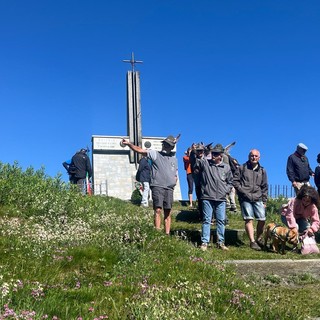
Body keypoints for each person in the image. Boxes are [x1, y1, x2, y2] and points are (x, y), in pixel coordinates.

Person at [122, 135, 178, 235]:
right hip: (157, 186)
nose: (165, 146)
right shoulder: (154, 154)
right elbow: (140, 150)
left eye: (167, 145)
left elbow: (175, 173)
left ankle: (167, 235)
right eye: (164, 144)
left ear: (171, 147)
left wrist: (174, 181)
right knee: (158, 210)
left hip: (169, 188)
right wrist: (129, 144)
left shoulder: (174, 159)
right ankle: (157, 233)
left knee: (168, 212)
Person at [195, 143, 233, 251]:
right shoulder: (206, 164)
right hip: (207, 197)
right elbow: (198, 162)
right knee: (206, 220)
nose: (213, 155)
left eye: (216, 154)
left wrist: (226, 190)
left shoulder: (226, 167)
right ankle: (204, 242)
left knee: (221, 220)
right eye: (213, 153)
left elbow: (230, 181)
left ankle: (221, 242)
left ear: (221, 155)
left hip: (221, 198)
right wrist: (203, 151)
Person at [233, 149, 268, 251]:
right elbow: (235, 182)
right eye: (252, 156)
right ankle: (252, 241)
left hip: (258, 198)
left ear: (259, 158)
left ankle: (259, 239)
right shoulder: (242, 168)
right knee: (249, 219)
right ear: (249, 156)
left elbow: (264, 186)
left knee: (262, 219)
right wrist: (243, 192)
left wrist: (264, 200)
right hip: (245, 198)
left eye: (256, 156)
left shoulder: (262, 170)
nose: (254, 157)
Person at [189, 143, 205, 220]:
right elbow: (191, 156)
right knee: (200, 199)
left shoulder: (207, 160)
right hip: (198, 183)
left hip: (206, 184)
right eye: (198, 151)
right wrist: (192, 150)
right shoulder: (194, 159)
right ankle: (201, 216)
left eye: (201, 151)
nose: (200, 152)